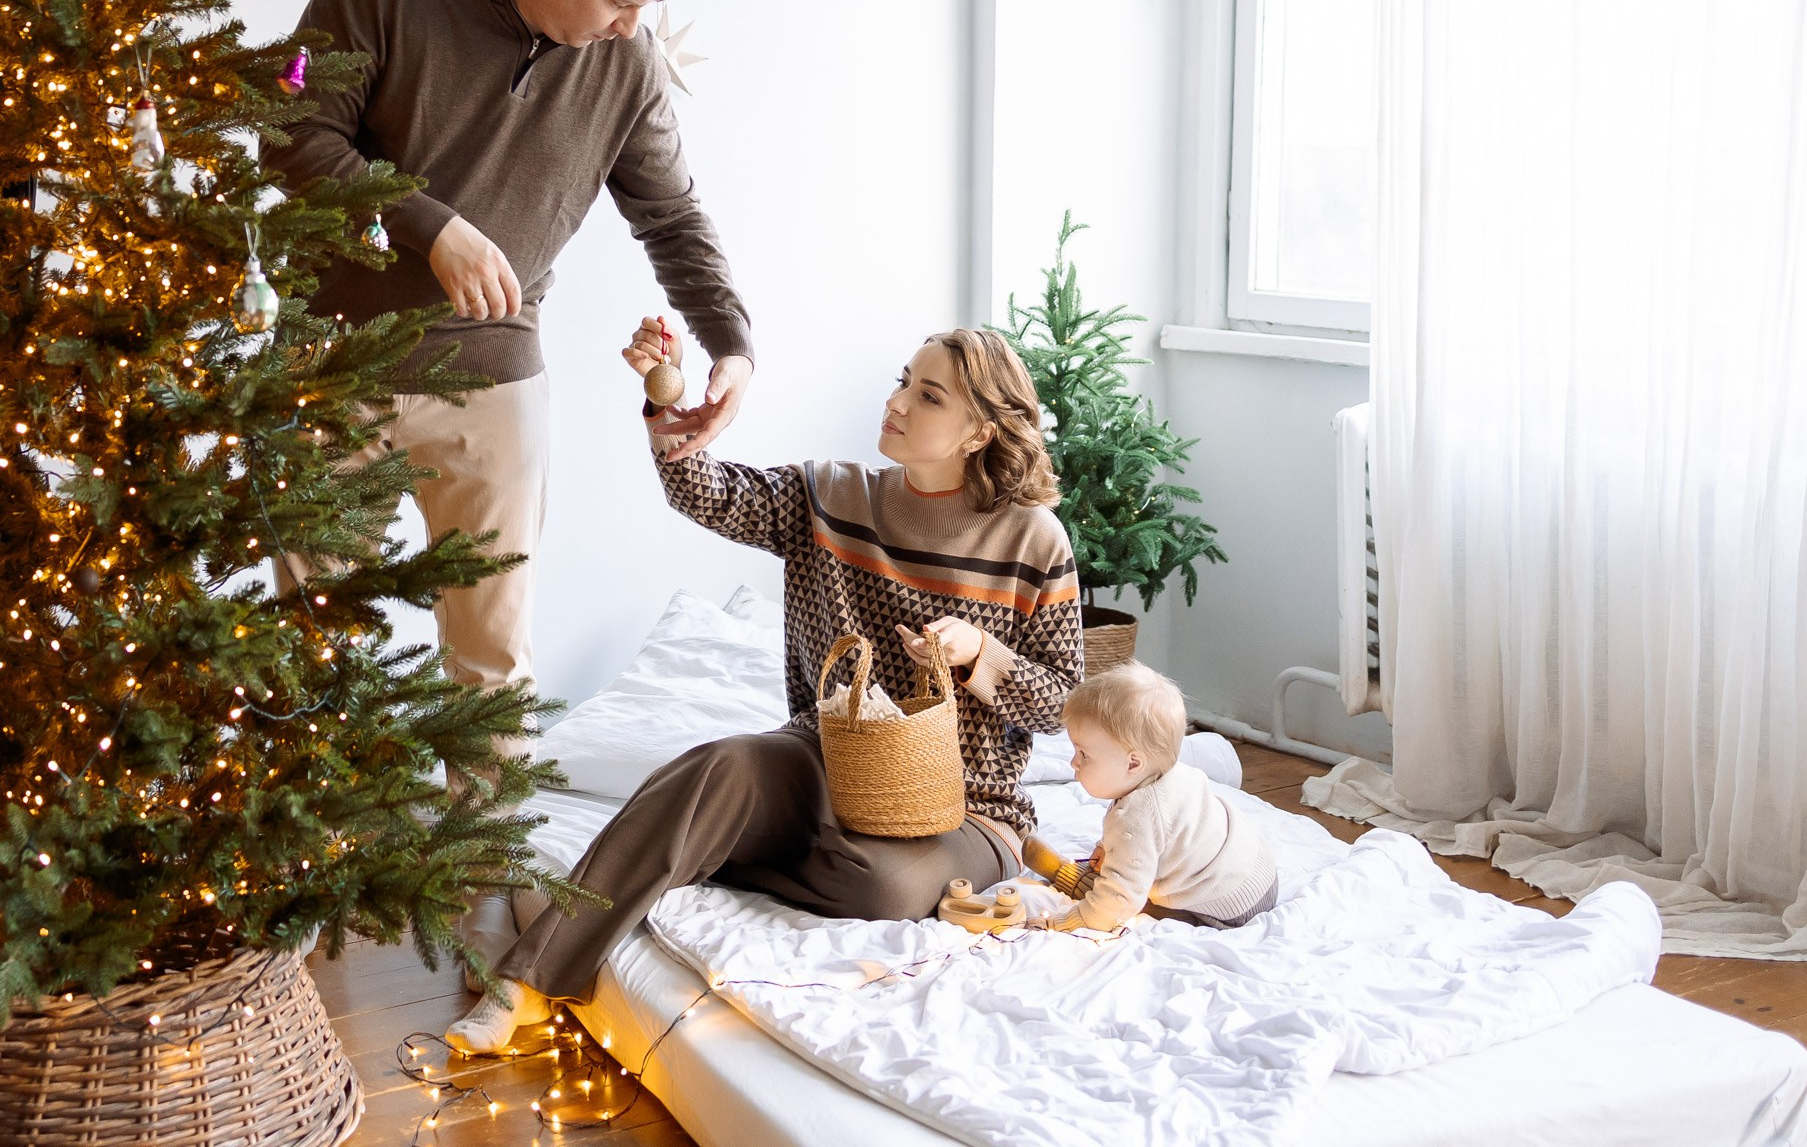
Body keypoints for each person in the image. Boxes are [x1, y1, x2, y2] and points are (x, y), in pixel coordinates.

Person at [446, 323, 1084, 1053]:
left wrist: (978, 653)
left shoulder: (1034, 541)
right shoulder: (832, 496)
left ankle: (689, 841)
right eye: (904, 380)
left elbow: (1060, 704)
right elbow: (707, 492)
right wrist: (669, 414)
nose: (898, 402)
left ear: (979, 432)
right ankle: (526, 983)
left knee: (876, 888)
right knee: (724, 767)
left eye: (928, 395)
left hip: (965, 809)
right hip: (822, 759)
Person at [267, 0, 754, 700]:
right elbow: (291, 133)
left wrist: (730, 344)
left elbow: (670, 215)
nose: (629, 30)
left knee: (492, 665)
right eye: (621, 2)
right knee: (312, 647)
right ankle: (320, 836)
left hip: (493, 379)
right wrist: (433, 228)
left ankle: (485, 833)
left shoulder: (627, 69)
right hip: (334, 359)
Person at [1025, 662, 1277, 933]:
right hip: (1259, 871)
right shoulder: (1172, 774)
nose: (1073, 762)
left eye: (1084, 754)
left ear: (1133, 764)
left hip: (1228, 904)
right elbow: (1164, 834)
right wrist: (1106, 847)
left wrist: (1063, 922)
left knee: (1131, 899)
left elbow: (1118, 900)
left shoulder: (1138, 816)